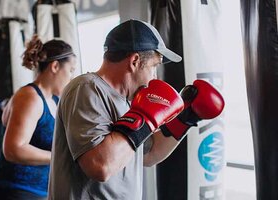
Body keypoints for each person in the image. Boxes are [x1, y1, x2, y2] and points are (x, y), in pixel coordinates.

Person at [48, 19, 225, 199]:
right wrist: (144, 118)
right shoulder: (87, 88)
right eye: (154, 67)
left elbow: (149, 153)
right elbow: (100, 165)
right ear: (134, 61)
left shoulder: (129, 102)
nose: (154, 77)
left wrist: (186, 116)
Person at [0, 35, 76, 200]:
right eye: (70, 70)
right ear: (55, 66)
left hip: (39, 192)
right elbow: (14, 149)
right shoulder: (30, 97)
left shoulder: (54, 100)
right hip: (14, 192)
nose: (71, 77)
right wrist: (60, 158)